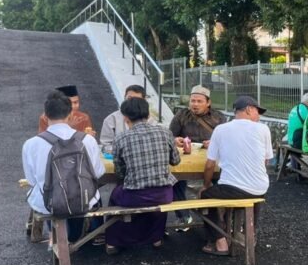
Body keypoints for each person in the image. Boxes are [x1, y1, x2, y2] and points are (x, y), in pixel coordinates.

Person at [22, 90, 105, 240]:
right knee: (88, 198)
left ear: (45, 117)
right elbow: (98, 173)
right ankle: (78, 236)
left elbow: (31, 180)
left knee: (43, 197)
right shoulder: (88, 140)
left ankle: (59, 237)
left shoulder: (30, 144)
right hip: (83, 200)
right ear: (71, 115)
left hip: (48, 203)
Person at [105, 98, 180, 254]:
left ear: (125, 117)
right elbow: (175, 161)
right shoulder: (165, 132)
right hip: (164, 194)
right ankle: (156, 238)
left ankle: (113, 242)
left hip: (135, 196)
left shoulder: (121, 138)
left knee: (115, 195)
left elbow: (119, 172)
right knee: (157, 199)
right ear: (148, 114)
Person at [200, 95, 273, 255]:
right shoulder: (264, 129)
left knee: (205, 197)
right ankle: (249, 234)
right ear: (248, 109)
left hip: (233, 189)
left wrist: (206, 185)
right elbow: (266, 161)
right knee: (251, 191)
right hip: (261, 187)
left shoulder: (221, 129)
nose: (259, 116)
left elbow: (210, 164)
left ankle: (220, 241)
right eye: (257, 111)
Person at [168, 85, 226, 225]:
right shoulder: (181, 115)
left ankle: (219, 219)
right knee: (175, 181)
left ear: (208, 103)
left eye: (199, 101)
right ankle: (183, 216)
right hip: (185, 158)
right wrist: (176, 140)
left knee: (221, 182)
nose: (195, 104)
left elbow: (226, 139)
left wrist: (213, 143)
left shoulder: (219, 117)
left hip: (212, 159)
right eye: (193, 101)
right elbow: (170, 135)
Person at [100, 84, 155, 154]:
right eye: (129, 98)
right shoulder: (111, 119)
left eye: (137, 100)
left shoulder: (150, 120)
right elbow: (105, 145)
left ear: (144, 101)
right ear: (124, 98)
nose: (132, 102)